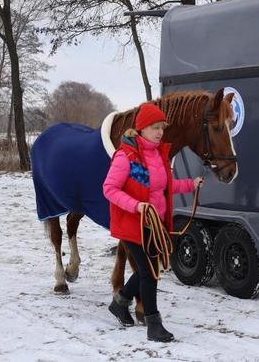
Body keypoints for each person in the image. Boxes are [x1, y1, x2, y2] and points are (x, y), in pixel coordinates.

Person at [103, 102, 203, 342]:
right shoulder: (125, 155)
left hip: (155, 224)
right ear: (141, 129)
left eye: (161, 127)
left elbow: (164, 187)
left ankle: (120, 303)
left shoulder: (159, 154)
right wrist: (136, 205)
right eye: (154, 127)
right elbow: (109, 188)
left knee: (149, 271)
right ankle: (153, 324)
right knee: (149, 273)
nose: (159, 132)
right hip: (133, 224)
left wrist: (190, 184)